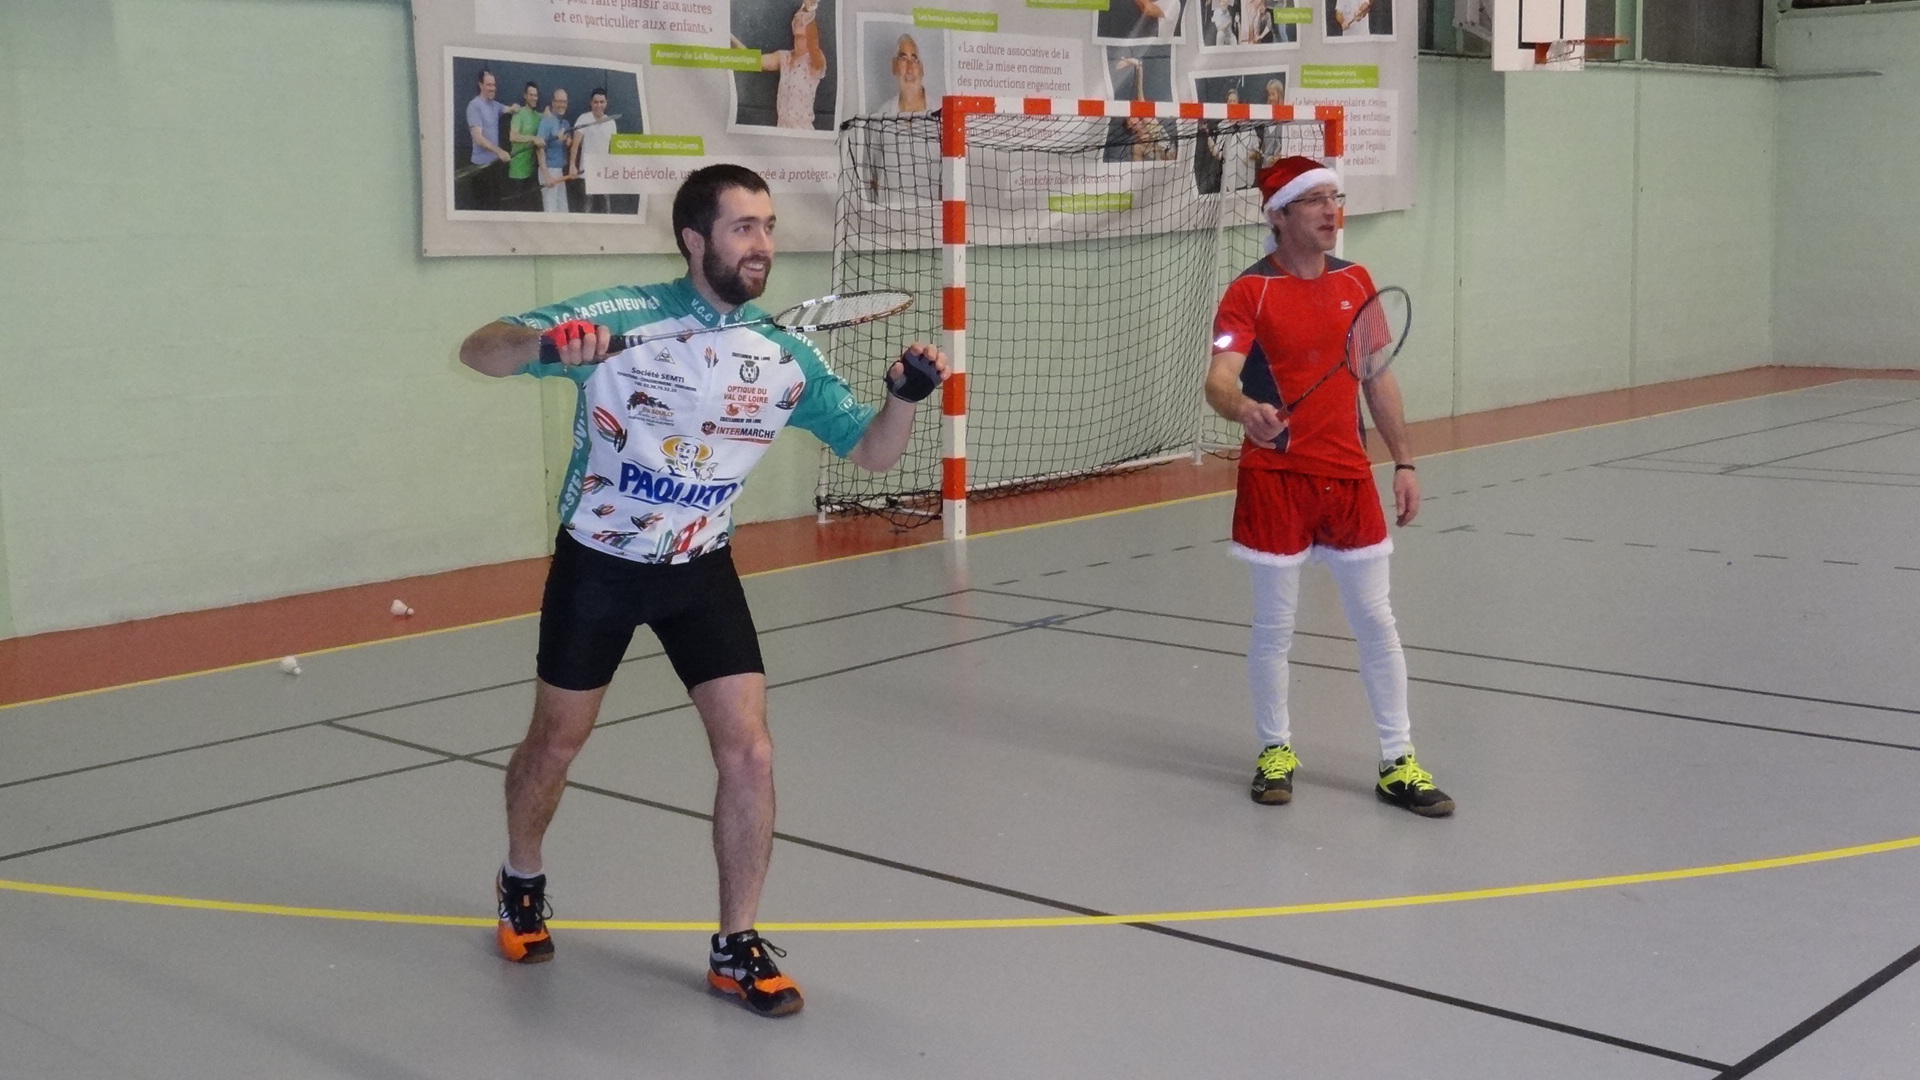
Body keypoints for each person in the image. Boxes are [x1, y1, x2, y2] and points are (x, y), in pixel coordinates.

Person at [457, 164, 950, 1017]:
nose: (762, 244)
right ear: (694, 240)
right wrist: (550, 346)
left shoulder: (784, 353)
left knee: (750, 753)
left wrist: (904, 398)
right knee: (557, 743)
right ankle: (521, 876)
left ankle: (735, 944)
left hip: (700, 569)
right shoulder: (624, 316)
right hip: (600, 565)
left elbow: (871, 452)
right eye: (742, 228)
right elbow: (482, 349)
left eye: (768, 226)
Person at [1202, 155, 1454, 817]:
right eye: (1314, 200)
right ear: (1280, 215)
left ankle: (1398, 761)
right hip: (1276, 479)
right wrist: (1245, 410)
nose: (1330, 211)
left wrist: (1404, 462)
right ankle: (1274, 751)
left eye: (1335, 198)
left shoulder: (1356, 282)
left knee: (1376, 621)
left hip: (1347, 478)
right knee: (1274, 628)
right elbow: (1219, 380)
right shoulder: (1249, 292)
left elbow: (1377, 377)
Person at [733, 0, 828, 131]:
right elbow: (754, 61)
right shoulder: (784, 57)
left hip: (803, 132)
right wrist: (730, 38)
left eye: (803, 35)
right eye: (797, 35)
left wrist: (808, 10)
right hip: (782, 130)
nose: (799, 23)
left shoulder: (814, 60)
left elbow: (814, 47)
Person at [463, 70, 515, 210]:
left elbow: (508, 109)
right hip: (481, 168)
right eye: (489, 85)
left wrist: (515, 108)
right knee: (483, 208)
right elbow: (478, 138)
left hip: (494, 166)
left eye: (494, 85)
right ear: (481, 85)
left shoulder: (495, 105)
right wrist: (499, 151)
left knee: (496, 206)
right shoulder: (474, 106)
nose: (492, 88)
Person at [570, 88, 618, 213]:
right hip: (586, 172)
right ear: (591, 103)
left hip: (603, 172)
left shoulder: (611, 122)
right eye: (596, 102)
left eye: (602, 102)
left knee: (606, 208)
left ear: (606, 103)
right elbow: (575, 145)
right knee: (587, 207)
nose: (598, 105)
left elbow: (613, 149)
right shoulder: (584, 119)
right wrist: (572, 165)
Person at [535, 88, 576, 214]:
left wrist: (568, 140)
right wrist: (546, 176)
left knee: (563, 211)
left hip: (560, 171)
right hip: (549, 170)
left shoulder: (565, 123)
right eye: (559, 101)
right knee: (551, 211)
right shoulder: (546, 121)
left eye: (564, 101)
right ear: (553, 102)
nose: (562, 105)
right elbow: (539, 148)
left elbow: (568, 143)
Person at [506, 81, 543, 210]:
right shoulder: (519, 113)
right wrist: (533, 138)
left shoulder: (537, 116)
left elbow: (549, 118)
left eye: (536, 95)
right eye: (531, 95)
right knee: (516, 207)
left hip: (531, 169)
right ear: (525, 96)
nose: (534, 98)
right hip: (517, 170)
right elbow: (513, 136)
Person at [877, 33, 928, 115]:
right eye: (903, 59)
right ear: (894, 66)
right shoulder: (884, 114)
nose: (909, 70)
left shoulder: (939, 111)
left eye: (914, 60)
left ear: (922, 69)